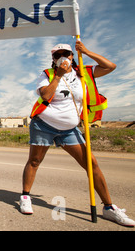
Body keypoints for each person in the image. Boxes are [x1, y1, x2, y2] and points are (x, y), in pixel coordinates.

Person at [20, 40, 134, 227]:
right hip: (44, 125)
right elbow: (46, 96)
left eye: (66, 53)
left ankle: (109, 208)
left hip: (69, 130)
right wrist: (58, 76)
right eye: (57, 55)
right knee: (34, 161)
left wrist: (86, 51)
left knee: (91, 164)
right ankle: (25, 196)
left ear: (72, 56)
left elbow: (110, 66)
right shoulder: (47, 74)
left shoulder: (85, 73)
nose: (62, 57)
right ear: (53, 59)